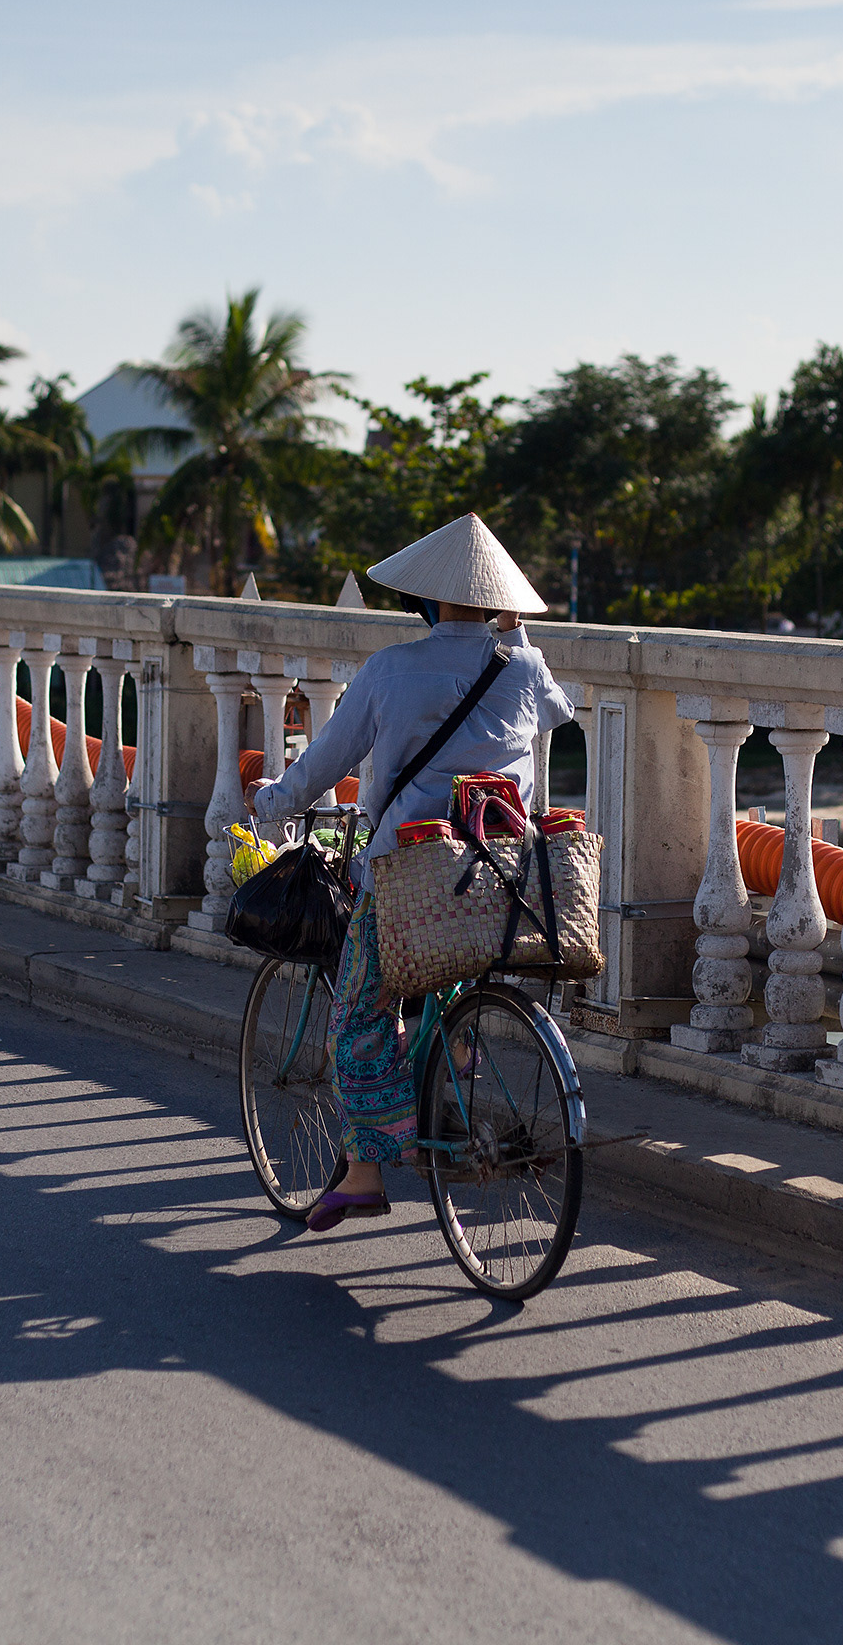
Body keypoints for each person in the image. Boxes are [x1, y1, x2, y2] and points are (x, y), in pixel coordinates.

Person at [249, 513, 576, 1233]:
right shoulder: (520, 668)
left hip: (408, 880)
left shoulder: (391, 670)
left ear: (423, 601)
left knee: (357, 1019)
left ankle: (366, 1169)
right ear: (496, 600)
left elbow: (324, 765)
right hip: (498, 878)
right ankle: (448, 1079)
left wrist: (272, 802)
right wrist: (513, 632)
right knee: (452, 986)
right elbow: (560, 708)